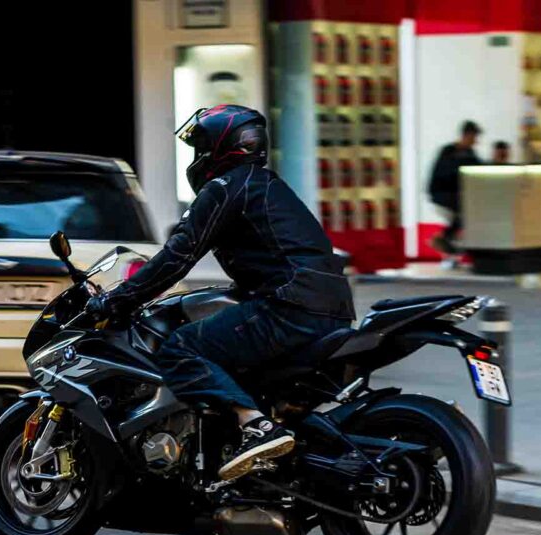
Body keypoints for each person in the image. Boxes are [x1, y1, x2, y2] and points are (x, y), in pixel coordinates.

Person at [88, 105, 355, 481]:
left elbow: (176, 257)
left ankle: (256, 427)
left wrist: (116, 299)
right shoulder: (267, 185)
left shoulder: (226, 187)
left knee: (181, 349)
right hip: (331, 308)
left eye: (201, 146)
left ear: (221, 147)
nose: (198, 156)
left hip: (288, 307)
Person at [427, 120, 483, 256]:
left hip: (457, 194)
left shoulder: (470, 153)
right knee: (466, 210)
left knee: (470, 209)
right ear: (466, 135)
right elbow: (444, 174)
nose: (475, 141)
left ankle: (447, 241)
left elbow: (479, 167)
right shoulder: (448, 151)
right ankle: (443, 239)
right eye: (474, 137)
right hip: (441, 193)